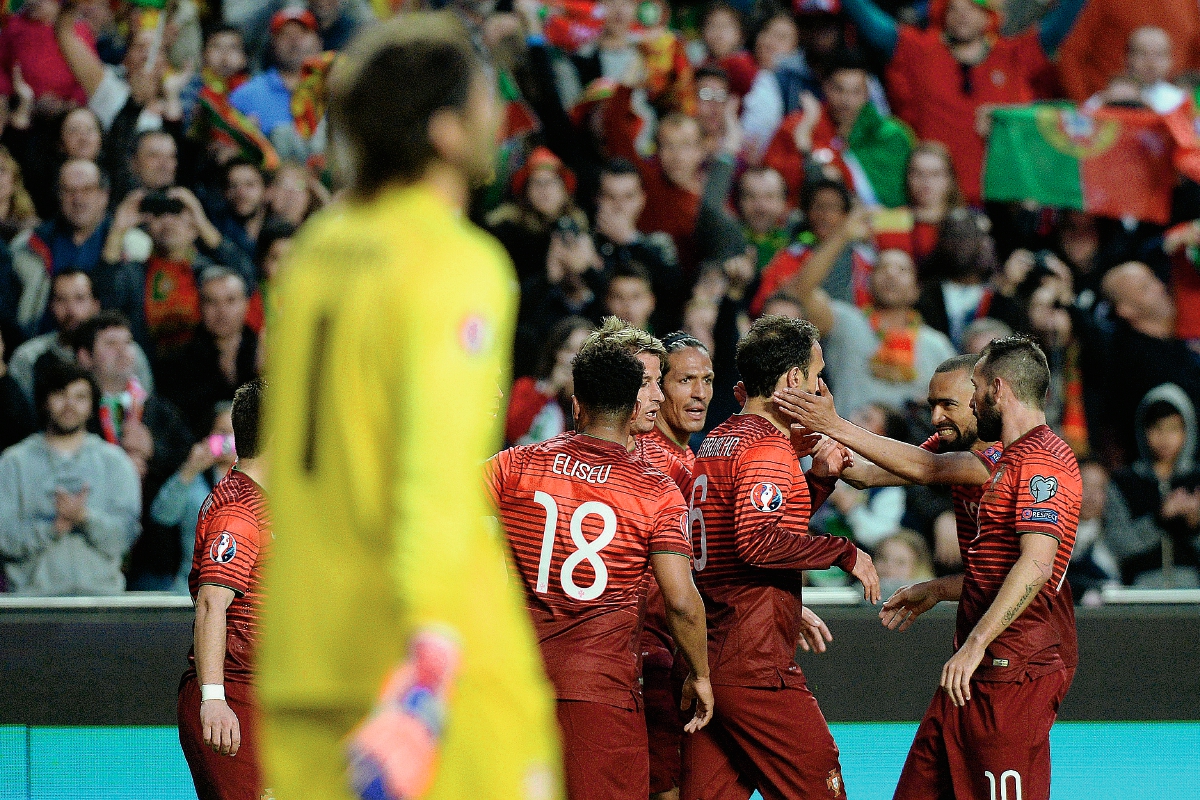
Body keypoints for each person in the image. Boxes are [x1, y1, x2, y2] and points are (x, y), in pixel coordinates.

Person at [259, 15, 561, 800]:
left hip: (301, 653)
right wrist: (427, 667)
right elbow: (431, 475)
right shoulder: (456, 263)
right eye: (485, 98)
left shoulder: (317, 251)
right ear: (445, 131)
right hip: (422, 666)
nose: (501, 115)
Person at [488, 336, 713, 800]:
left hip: (516, 688)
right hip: (601, 693)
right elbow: (681, 601)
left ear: (575, 405)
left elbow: (435, 499)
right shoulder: (655, 490)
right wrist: (701, 674)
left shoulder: (517, 466)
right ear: (634, 410)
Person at [682, 314, 879, 800]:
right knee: (819, 783)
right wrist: (844, 551)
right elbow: (757, 542)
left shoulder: (721, 439)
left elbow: (754, 526)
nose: (821, 387)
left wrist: (819, 480)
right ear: (793, 380)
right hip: (754, 661)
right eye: (816, 375)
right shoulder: (768, 449)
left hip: (712, 656)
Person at [879, 336, 1081, 800]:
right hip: (977, 667)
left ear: (996, 390)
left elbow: (1034, 567)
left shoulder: (1032, 463)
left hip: (1013, 665)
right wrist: (940, 589)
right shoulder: (1003, 456)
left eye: (970, 390)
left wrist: (974, 644)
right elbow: (1000, 569)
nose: (965, 401)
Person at [840, 0, 1087, 204]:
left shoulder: (1013, 56)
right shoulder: (917, 50)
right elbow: (870, 23)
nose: (962, 15)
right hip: (931, 202)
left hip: (999, 202)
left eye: (972, 7)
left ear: (989, 14)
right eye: (955, 8)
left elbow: (1058, 26)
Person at [177, 379, 271, 800]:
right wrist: (213, 698)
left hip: (259, 696)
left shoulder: (260, 500)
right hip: (232, 697)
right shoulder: (239, 514)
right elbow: (213, 605)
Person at [0, 354, 141, 595]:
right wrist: (52, 528)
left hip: (101, 602)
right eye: (60, 395)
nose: (69, 405)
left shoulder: (116, 462)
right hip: (32, 606)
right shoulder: (14, 463)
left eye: (80, 397)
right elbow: (4, 539)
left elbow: (125, 538)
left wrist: (84, 517)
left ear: (92, 405)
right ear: (45, 401)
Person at [798, 247, 957, 418]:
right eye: (882, 267)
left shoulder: (937, 344)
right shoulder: (844, 321)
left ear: (917, 289)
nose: (891, 274)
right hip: (843, 439)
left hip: (909, 443)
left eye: (902, 269)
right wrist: (843, 235)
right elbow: (801, 292)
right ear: (867, 282)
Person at [763, 53, 913, 209]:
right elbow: (773, 185)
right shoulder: (796, 127)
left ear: (868, 93)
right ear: (825, 87)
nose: (846, 100)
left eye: (856, 92)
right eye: (839, 90)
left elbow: (904, 199)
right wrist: (807, 148)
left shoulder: (892, 136)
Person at [7, 269, 153, 404]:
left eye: (80, 298)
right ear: (51, 306)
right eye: (61, 300)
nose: (71, 309)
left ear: (96, 305)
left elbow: (148, 408)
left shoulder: (128, 352)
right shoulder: (28, 357)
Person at [1106, 384, 1200, 588]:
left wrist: (1195, 524)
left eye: (1174, 428)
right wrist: (1159, 519)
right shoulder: (1124, 482)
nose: (1165, 438)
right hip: (1141, 594)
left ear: (1188, 430)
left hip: (1192, 595)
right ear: (1143, 430)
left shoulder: (1196, 478)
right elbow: (1117, 546)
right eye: (1156, 428)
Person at [159, 268, 260, 439]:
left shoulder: (268, 356)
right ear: (199, 306)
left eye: (230, 301)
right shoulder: (176, 363)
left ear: (246, 304)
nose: (222, 311)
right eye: (212, 302)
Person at [150, 402, 238, 592]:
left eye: (238, 431)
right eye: (222, 432)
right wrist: (190, 469)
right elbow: (162, 515)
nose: (230, 440)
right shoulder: (193, 480)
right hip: (192, 590)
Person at [751, 180, 874, 314]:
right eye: (818, 206)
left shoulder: (864, 257)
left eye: (832, 207)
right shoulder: (792, 255)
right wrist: (842, 235)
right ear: (807, 213)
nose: (824, 215)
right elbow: (767, 305)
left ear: (845, 215)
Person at [505, 316, 595, 445]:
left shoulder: (593, 402)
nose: (575, 359)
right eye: (569, 349)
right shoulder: (527, 387)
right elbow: (512, 432)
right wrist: (550, 389)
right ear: (555, 352)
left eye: (584, 351)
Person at [651, 332, 714, 457]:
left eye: (707, 380)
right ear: (658, 387)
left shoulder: (691, 456)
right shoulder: (643, 461)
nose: (700, 394)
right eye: (685, 380)